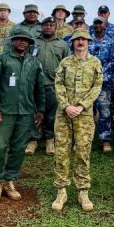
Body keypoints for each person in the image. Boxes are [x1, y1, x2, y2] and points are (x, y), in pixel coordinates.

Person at [0, 27, 46, 204]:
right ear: (12, 40)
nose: (22, 42)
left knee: (19, 148)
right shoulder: (1, 59)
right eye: (19, 39)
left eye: (26, 40)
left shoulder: (34, 62)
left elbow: (39, 88)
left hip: (26, 113)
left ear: (29, 43)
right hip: (4, 112)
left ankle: (9, 181)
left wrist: (40, 110)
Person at [51, 29, 103, 212]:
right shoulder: (65, 63)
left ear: (88, 42)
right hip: (64, 114)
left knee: (83, 152)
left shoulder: (95, 62)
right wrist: (66, 106)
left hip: (84, 114)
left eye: (84, 39)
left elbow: (97, 87)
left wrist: (81, 106)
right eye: (77, 39)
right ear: (72, 42)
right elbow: (58, 85)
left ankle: (83, 191)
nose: (80, 42)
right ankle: (61, 191)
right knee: (62, 152)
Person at [25, 17, 71, 156]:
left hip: (53, 84)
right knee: (33, 111)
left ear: (55, 27)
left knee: (52, 113)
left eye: (51, 25)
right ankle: (33, 139)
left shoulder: (62, 45)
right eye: (46, 25)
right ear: (41, 27)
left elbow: (66, 65)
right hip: (34, 83)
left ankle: (50, 139)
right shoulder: (33, 43)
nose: (48, 27)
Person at [89, 16, 114, 152]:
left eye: (100, 23)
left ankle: (105, 139)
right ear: (93, 25)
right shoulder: (88, 41)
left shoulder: (111, 42)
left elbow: (113, 62)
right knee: (87, 112)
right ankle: (86, 139)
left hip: (104, 83)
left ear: (105, 25)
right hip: (87, 83)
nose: (98, 25)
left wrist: (101, 75)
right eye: (96, 23)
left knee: (105, 112)